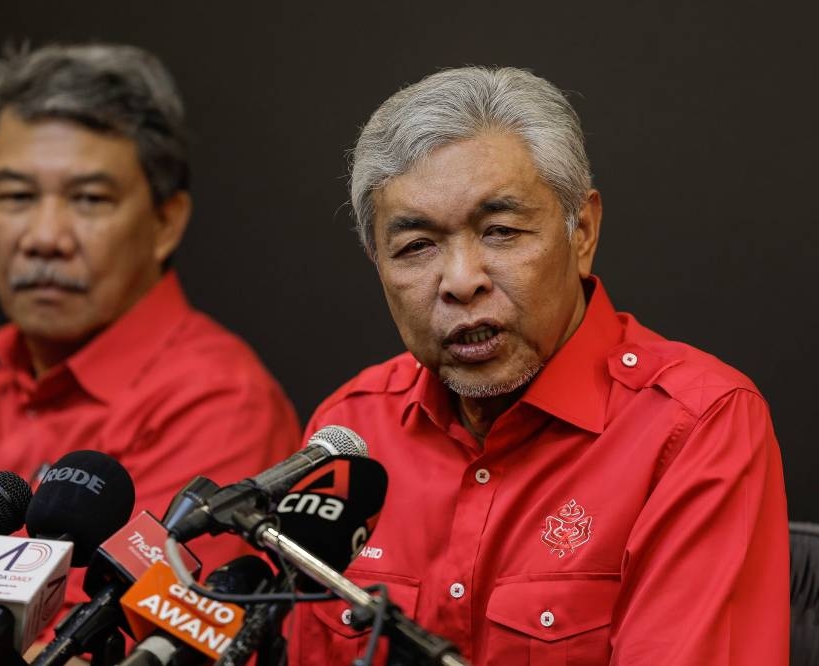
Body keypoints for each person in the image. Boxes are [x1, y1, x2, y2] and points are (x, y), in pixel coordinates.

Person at [0, 43, 301, 663]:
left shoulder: (220, 401)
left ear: (166, 222)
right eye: (17, 197)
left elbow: (113, 648)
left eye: (90, 200)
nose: (44, 238)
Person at [291, 67, 788, 665]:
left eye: (501, 232)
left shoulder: (695, 426)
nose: (461, 282)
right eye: (417, 247)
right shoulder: (350, 434)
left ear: (583, 233)